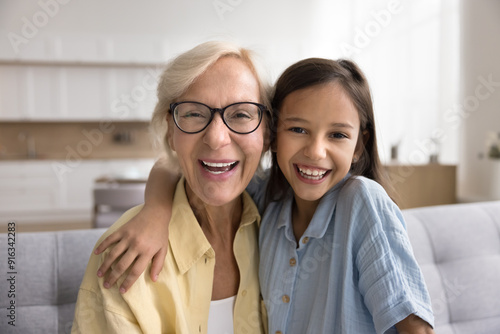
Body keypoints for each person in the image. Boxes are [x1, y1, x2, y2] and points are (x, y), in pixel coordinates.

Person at [95, 58, 435, 333]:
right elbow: (178, 166)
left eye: (337, 135)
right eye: (298, 129)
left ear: (359, 144)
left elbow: (415, 327)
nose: (316, 152)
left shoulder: (363, 202)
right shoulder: (265, 199)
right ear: (272, 135)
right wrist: (155, 211)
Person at [71, 40, 272, 333]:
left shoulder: (282, 229)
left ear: (267, 133)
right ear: (170, 131)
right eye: (193, 113)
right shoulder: (128, 251)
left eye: (241, 114)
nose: (216, 138)